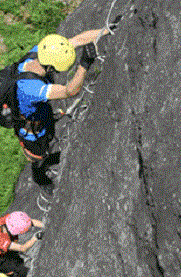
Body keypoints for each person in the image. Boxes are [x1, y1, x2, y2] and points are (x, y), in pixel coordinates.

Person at [14, 29, 110, 186]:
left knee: (47, 145)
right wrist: (84, 64)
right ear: (51, 66)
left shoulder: (41, 52)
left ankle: (47, 162)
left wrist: (106, 29)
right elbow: (69, 91)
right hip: (34, 132)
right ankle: (41, 179)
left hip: (41, 116)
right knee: (39, 157)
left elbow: (77, 40)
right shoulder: (31, 88)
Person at [0, 211, 44, 276]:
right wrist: (35, 237)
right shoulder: (1, 240)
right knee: (20, 269)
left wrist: (44, 225)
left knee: (17, 257)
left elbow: (30, 221)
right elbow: (22, 248)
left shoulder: (7, 220)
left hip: (0, 248)